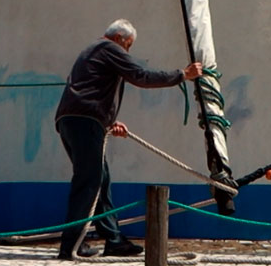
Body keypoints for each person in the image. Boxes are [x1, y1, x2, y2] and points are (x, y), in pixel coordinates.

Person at [55, 18, 203, 259]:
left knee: (100, 180)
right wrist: (182, 75)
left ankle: (113, 239)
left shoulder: (92, 50)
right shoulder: (110, 49)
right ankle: (70, 245)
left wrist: (108, 120)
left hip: (73, 120)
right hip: (85, 121)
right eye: (129, 45)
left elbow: (91, 88)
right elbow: (141, 75)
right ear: (119, 38)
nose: (128, 51)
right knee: (89, 182)